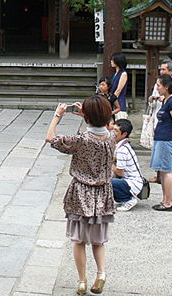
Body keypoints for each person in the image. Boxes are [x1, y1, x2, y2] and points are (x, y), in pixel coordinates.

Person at [46, 96, 116, 295]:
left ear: (87, 117)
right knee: (98, 240)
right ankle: (101, 274)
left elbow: (51, 138)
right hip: (103, 193)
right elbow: (106, 125)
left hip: (81, 192)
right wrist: (88, 113)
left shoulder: (80, 140)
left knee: (79, 241)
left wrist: (57, 116)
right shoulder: (111, 137)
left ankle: (82, 281)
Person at [147, 60, 172, 185]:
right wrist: (153, 99)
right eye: (161, 69)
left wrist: (166, 100)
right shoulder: (158, 85)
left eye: (164, 69)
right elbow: (152, 99)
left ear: (171, 71)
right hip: (158, 118)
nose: (162, 72)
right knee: (157, 149)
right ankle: (158, 174)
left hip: (169, 123)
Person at [149, 75, 172, 211]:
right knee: (162, 171)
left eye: (159, 85)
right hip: (160, 138)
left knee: (166, 171)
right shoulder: (165, 101)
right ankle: (164, 199)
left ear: (166, 87)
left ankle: (169, 202)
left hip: (166, 139)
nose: (157, 88)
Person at [111, 119, 143, 212]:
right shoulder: (123, 145)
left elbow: (120, 173)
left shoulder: (122, 150)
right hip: (131, 181)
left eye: (116, 131)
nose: (113, 133)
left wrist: (110, 162)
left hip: (133, 183)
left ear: (124, 134)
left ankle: (129, 199)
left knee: (106, 182)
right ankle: (121, 197)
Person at [109, 52, 128, 120]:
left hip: (118, 100)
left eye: (113, 60)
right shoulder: (115, 73)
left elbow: (119, 89)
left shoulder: (123, 74)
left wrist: (112, 100)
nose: (111, 62)